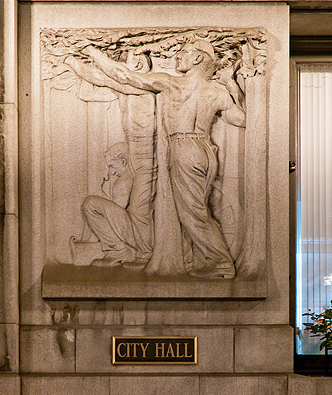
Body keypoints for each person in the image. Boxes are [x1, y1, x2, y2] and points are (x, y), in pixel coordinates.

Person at [81, 39, 246, 279]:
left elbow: (125, 76)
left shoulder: (173, 84)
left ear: (198, 58)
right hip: (205, 151)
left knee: (193, 212)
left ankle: (221, 262)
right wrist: (231, 83)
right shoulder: (217, 91)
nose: (178, 56)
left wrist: (92, 52)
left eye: (184, 52)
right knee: (199, 208)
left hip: (183, 148)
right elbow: (241, 119)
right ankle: (204, 258)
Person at [64, 51, 157, 268]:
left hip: (147, 160)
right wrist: (77, 67)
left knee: (138, 210)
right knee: (122, 208)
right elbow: (94, 87)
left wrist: (77, 60)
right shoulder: (126, 92)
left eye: (136, 58)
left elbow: (105, 78)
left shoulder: (143, 90)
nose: (131, 61)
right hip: (134, 159)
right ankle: (118, 250)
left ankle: (144, 255)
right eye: (127, 59)